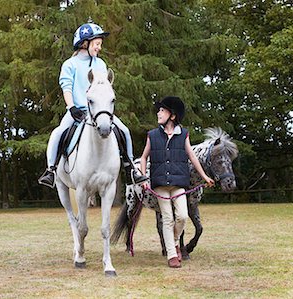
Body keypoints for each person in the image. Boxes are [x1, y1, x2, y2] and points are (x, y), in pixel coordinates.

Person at [38, 22, 147, 188]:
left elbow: (103, 88)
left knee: (123, 130)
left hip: (98, 111)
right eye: (97, 44)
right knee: (58, 133)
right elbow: (66, 88)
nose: (99, 48)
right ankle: (51, 170)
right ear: (85, 43)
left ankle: (130, 168)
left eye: (100, 45)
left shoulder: (100, 64)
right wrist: (71, 107)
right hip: (77, 111)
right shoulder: (70, 64)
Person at [140, 96, 215, 268]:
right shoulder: (152, 135)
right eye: (158, 110)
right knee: (167, 218)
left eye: (162, 110)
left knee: (182, 216)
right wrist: (143, 178)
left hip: (179, 183)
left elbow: (192, 156)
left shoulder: (184, 134)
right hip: (159, 185)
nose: (158, 113)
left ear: (172, 116)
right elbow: (144, 158)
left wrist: (204, 176)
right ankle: (172, 255)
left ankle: (173, 241)